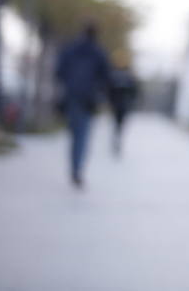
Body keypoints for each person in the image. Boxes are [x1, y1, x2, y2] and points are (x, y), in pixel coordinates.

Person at [54, 23, 111, 188]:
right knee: (82, 136)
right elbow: (106, 77)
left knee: (74, 134)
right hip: (88, 99)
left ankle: (74, 167)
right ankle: (76, 169)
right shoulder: (99, 53)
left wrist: (69, 84)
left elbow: (58, 72)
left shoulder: (70, 49)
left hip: (71, 96)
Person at [106, 53, 139, 156]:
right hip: (123, 104)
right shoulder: (128, 76)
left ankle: (117, 138)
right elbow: (134, 91)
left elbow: (109, 90)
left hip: (118, 104)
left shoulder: (114, 75)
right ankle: (117, 138)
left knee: (117, 123)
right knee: (120, 124)